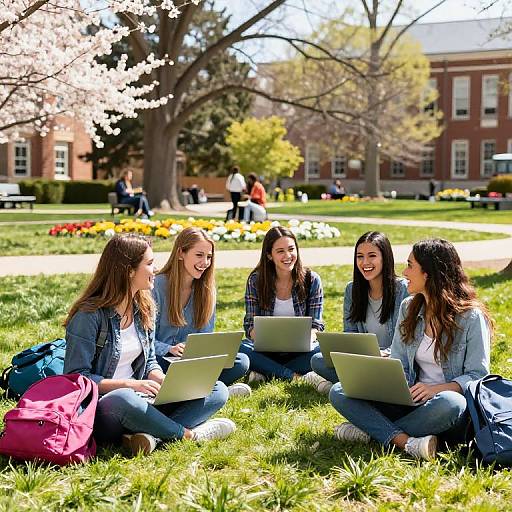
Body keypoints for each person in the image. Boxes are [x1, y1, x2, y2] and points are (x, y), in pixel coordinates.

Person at [64, 234, 235, 456]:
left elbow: (150, 361)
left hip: (143, 399)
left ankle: (149, 436)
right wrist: (130, 385)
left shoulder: (144, 307)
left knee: (217, 389)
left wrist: (164, 381)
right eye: (149, 263)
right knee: (123, 398)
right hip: (106, 407)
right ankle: (188, 435)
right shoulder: (89, 315)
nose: (155, 270)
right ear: (128, 270)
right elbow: (76, 378)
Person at [329, 239, 492, 460]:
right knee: (339, 390)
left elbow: (478, 376)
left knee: (452, 403)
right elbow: (399, 362)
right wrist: (386, 383)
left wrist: (436, 389)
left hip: (446, 410)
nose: (404, 272)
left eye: (410, 265)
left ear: (429, 273)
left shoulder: (471, 317)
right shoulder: (409, 307)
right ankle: (405, 441)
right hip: (409, 400)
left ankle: (371, 431)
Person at [153, 227, 251, 397]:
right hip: (160, 360)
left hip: (191, 361)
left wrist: (206, 353)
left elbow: (205, 336)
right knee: (158, 366)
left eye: (209, 257)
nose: (205, 262)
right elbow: (143, 340)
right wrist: (169, 349)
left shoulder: (206, 290)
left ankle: (200, 387)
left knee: (241, 361)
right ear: (180, 253)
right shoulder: (157, 287)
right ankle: (211, 388)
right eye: (199, 255)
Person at [306, 232, 409, 393]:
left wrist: (383, 354)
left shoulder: (403, 290)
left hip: (393, 361)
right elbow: (350, 333)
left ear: (385, 258)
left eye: (372, 256)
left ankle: (354, 384)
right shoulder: (352, 289)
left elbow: (406, 340)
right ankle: (365, 384)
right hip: (363, 361)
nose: (365, 262)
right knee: (318, 359)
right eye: (360, 256)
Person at [239, 226, 324, 382]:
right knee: (240, 348)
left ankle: (265, 371)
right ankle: (292, 376)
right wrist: (266, 341)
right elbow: (250, 325)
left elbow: (316, 325)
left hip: (301, 352)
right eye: (280, 251)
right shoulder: (256, 281)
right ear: (269, 255)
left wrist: (305, 340)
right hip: (266, 351)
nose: (288, 256)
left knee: (324, 352)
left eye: (291, 249)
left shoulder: (311, 280)